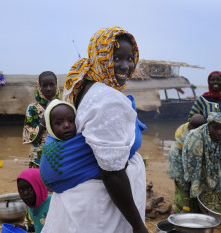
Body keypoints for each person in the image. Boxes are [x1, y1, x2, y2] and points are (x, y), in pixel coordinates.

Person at [40, 26, 148, 233]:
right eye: (116, 58)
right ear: (101, 57)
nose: (125, 66)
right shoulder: (107, 99)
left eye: (129, 58)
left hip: (80, 199)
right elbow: (112, 173)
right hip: (100, 205)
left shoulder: (83, 82)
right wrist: (138, 226)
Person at [181, 112, 221, 228]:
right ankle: (187, 207)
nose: (219, 132)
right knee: (192, 176)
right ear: (209, 125)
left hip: (214, 159)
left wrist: (213, 168)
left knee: (217, 177)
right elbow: (190, 171)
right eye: (215, 128)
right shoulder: (195, 138)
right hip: (194, 156)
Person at [188, 71, 221, 142]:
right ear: (208, 82)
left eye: (218, 80)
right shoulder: (202, 100)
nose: (215, 82)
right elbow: (191, 120)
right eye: (212, 80)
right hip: (204, 140)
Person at [168, 114, 206, 213]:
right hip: (178, 160)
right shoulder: (183, 135)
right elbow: (187, 154)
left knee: (191, 188)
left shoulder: (199, 132)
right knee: (181, 187)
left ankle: (190, 208)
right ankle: (176, 212)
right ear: (190, 126)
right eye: (195, 128)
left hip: (185, 158)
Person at [22, 71, 60, 168]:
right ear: (39, 87)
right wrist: (46, 113)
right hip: (38, 160)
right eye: (44, 85)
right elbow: (31, 138)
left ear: (57, 85)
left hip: (59, 158)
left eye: (52, 85)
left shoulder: (62, 106)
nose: (48, 89)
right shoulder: (32, 109)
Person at [16, 168, 52, 233]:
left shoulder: (52, 203)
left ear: (39, 187)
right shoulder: (32, 205)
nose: (25, 193)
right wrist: (26, 228)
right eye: (21, 190)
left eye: (29, 189)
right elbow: (40, 225)